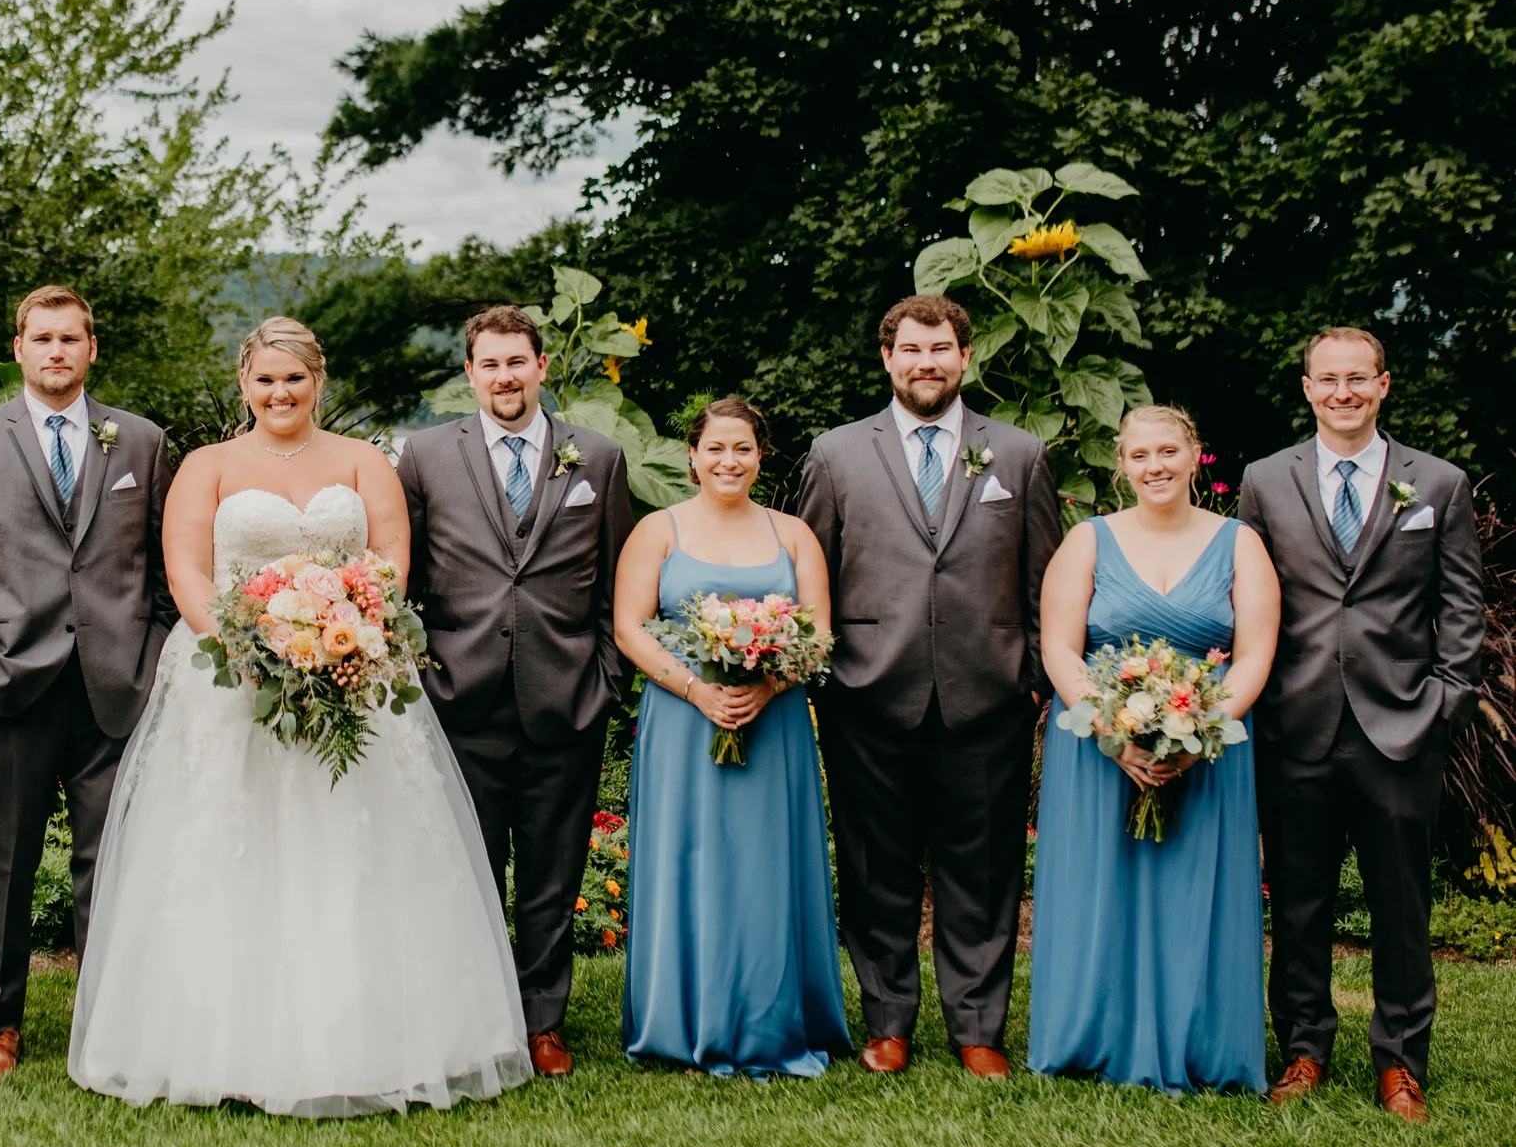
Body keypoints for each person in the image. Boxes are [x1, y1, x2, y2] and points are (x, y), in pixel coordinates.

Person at [68, 317, 533, 1116]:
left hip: (349, 666)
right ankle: (217, 1044)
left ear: (319, 380)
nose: (280, 393)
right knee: (226, 850)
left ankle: (364, 1039)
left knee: (350, 845)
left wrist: (333, 632)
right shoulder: (208, 466)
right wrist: (253, 645)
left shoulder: (363, 462)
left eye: (295, 378)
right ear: (244, 383)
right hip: (229, 681)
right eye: (265, 380)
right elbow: (186, 567)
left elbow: (389, 560)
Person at [0, 286, 175, 1084]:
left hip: (114, 687)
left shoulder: (143, 442)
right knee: (4, 866)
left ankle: (107, 1023)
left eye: (71, 338)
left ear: (93, 348)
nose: (56, 351)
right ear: (19, 347)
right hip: (8, 683)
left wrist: (150, 655)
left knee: (111, 863)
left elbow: (163, 567)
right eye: (42, 338)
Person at [796, 293, 1062, 1078]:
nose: (926, 362)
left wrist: (1039, 679)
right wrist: (822, 679)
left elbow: (1044, 576)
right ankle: (888, 1021)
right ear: (887, 358)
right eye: (911, 349)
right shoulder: (838, 453)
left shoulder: (1016, 454)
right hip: (869, 693)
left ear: (965, 356)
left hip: (989, 695)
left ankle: (977, 1026)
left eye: (940, 348)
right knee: (876, 867)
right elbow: (810, 568)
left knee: (982, 870)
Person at [1239, 326, 1487, 1122]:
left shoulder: (1438, 484)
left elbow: (1460, 604)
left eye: (1357, 378)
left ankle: (1400, 1063)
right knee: (1301, 904)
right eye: (1327, 379)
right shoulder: (1264, 480)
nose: (1342, 391)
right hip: (1295, 725)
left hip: (1401, 728)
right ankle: (1305, 1049)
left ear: (1384, 385)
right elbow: (1248, 596)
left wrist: (1444, 702)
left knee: (1401, 906)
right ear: (1307, 388)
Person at [397, 304, 635, 1077]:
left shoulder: (595, 457)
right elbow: (408, 579)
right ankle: (478, 1022)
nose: (504, 376)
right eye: (489, 364)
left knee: (551, 871)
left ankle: (542, 1022)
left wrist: (603, 676)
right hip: (459, 694)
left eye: (517, 361)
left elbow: (613, 580)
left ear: (540, 367)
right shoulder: (426, 456)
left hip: (565, 696)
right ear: (470, 373)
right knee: (464, 872)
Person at [1027, 405, 1277, 1092]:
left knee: (1194, 890)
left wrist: (1201, 735)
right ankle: (1090, 1033)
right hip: (1098, 747)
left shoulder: (1240, 542)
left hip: (1210, 746)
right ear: (1123, 464)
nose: (1155, 465)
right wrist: (1112, 732)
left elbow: (1254, 656)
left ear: (1197, 455)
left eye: (1168, 450)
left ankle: (1204, 1040)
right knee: (1098, 886)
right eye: (1140, 455)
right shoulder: (1087, 540)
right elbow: (1059, 646)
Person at [612, 396, 849, 1077]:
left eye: (742, 448)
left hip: (771, 726)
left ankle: (774, 1015)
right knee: (691, 860)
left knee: (764, 864)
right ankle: (684, 1018)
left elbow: (817, 630)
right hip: (684, 724)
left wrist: (765, 686)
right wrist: (697, 688)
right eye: (715, 448)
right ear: (692, 455)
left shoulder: (793, 534)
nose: (728, 460)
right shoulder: (657, 529)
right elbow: (630, 627)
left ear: (760, 455)